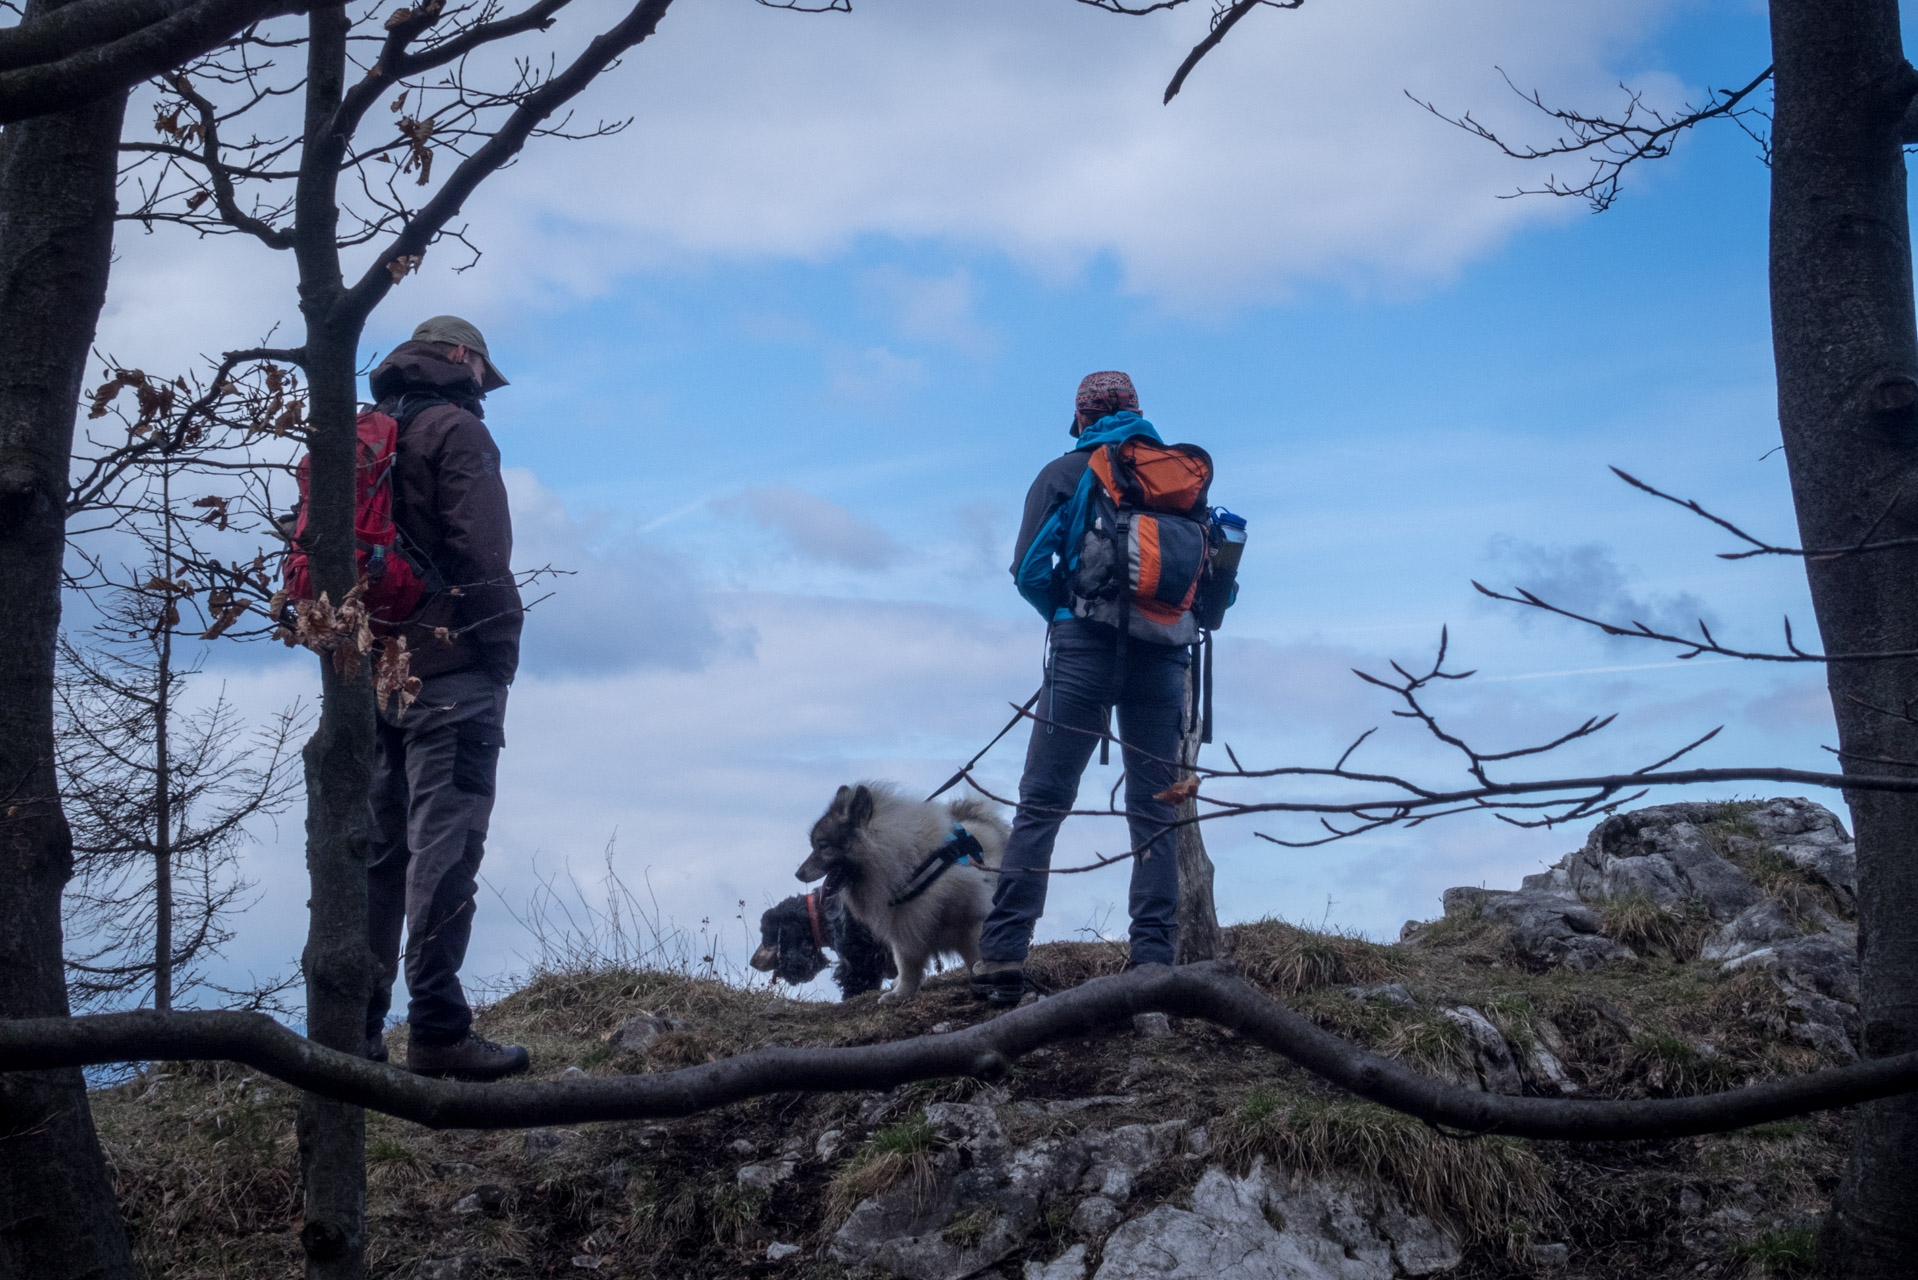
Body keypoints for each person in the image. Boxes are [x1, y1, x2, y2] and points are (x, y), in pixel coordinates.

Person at [971, 371, 1191, 1006]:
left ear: (1081, 418)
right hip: (1166, 658)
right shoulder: (1176, 475)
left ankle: (1003, 956)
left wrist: (1067, 617)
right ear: (1139, 411)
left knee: (1042, 805)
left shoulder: (1065, 473)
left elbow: (1028, 570)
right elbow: (1214, 580)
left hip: (1084, 655)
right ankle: (1154, 962)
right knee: (1155, 812)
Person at [361, 315, 530, 1079]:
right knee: (446, 848)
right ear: (462, 359)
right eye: (483, 377)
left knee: (378, 855)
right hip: (451, 674)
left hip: (370, 672)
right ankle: (436, 1028)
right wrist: (499, 656)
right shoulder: (456, 433)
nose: (483, 393)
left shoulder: (361, 432)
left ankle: (355, 1033)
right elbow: (483, 552)